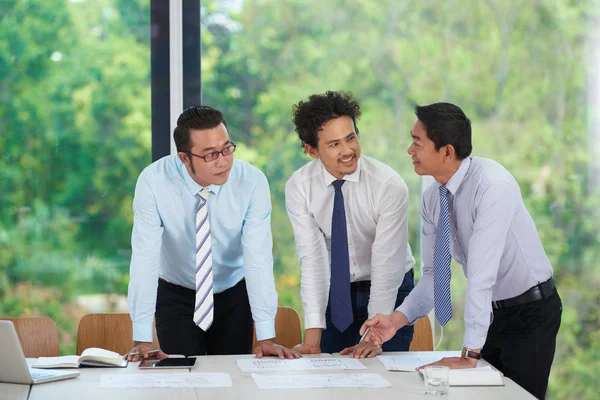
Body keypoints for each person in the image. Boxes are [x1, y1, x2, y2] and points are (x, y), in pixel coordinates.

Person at [360, 102, 562, 399]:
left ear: (446, 152)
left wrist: (469, 353)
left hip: (530, 313)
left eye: (417, 142)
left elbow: (481, 277)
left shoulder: (491, 185)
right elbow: (433, 279)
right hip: (492, 315)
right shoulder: (433, 199)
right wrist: (396, 320)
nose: (409, 150)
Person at [126, 105, 299, 361]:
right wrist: (141, 337)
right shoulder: (153, 182)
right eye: (210, 155)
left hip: (233, 292)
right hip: (176, 292)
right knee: (181, 379)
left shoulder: (252, 182)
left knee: (232, 378)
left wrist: (266, 338)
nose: (223, 162)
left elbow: (258, 258)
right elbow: (144, 257)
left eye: (227, 149)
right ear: (185, 158)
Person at [285, 91, 416, 358]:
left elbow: (387, 264)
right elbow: (312, 260)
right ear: (312, 150)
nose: (347, 151)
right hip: (339, 292)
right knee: (333, 376)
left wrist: (374, 337)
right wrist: (312, 339)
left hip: (391, 288)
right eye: (333, 144)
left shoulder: (388, 186)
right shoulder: (300, 187)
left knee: (384, 377)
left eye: (351, 138)